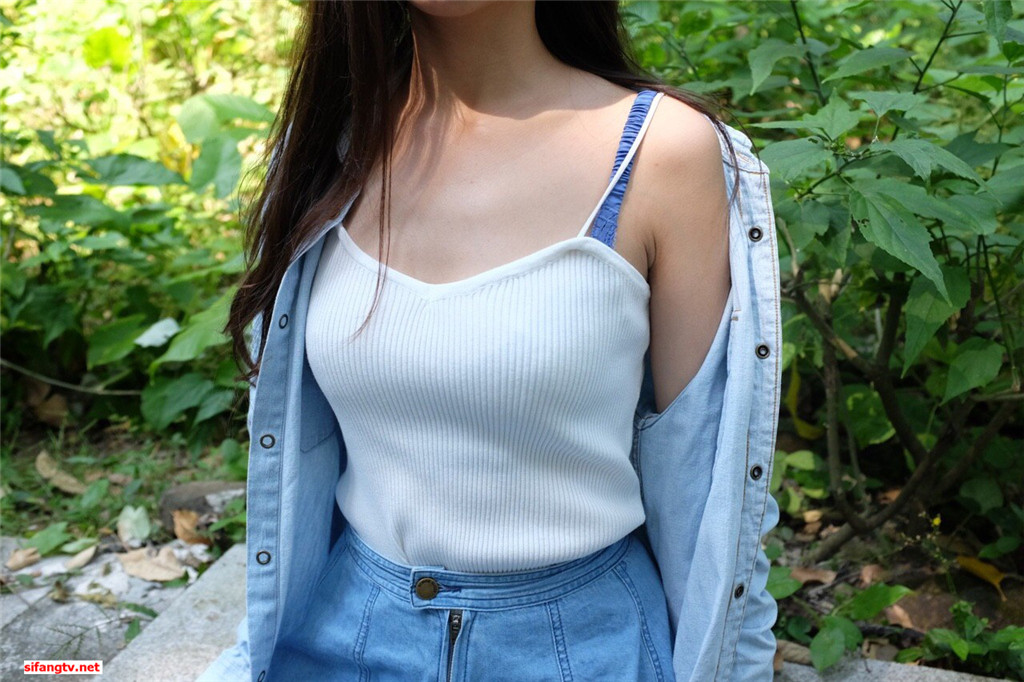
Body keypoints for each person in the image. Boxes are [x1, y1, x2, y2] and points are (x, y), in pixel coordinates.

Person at [201, 1, 782, 680]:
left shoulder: (663, 150)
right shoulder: (328, 146)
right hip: (343, 633)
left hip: (581, 649)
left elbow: (711, 490)